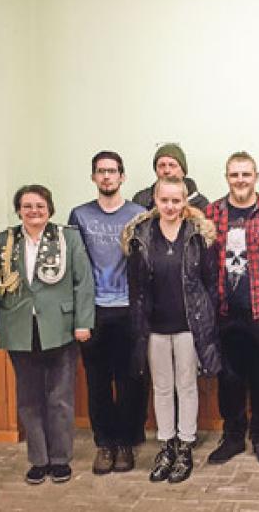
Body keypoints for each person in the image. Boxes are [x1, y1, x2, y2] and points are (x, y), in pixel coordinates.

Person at [0, 185, 94, 484]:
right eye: (27, 206)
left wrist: (83, 322)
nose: (33, 211)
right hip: (20, 329)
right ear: (19, 210)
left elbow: (83, 282)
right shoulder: (3, 242)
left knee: (60, 397)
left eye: (39, 205)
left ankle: (60, 458)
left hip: (60, 328)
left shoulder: (67, 238)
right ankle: (38, 459)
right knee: (28, 398)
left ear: (50, 208)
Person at [123, 176, 221, 484]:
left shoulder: (197, 234)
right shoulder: (140, 235)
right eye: (164, 200)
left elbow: (209, 282)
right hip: (154, 327)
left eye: (176, 200)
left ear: (185, 202)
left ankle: (185, 446)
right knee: (162, 388)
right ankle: (166, 446)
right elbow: (135, 286)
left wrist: (207, 318)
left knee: (187, 386)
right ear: (154, 199)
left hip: (188, 326)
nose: (170, 206)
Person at [68, 151, 149, 475]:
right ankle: (105, 444)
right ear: (93, 177)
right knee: (98, 382)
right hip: (95, 311)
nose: (106, 177)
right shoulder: (80, 215)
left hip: (130, 310)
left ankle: (127, 443)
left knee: (131, 379)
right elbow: (73, 265)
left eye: (112, 171)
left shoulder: (140, 213)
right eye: (100, 172)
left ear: (122, 177)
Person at [205, 152, 259, 466]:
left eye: (246, 174)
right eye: (235, 175)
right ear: (227, 178)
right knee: (229, 379)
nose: (240, 180)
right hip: (224, 312)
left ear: (256, 176)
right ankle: (233, 436)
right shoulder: (210, 213)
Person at [132, 143, 208, 211]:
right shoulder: (141, 201)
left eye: (172, 165)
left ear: (183, 171)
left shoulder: (201, 204)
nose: (167, 170)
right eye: (162, 165)